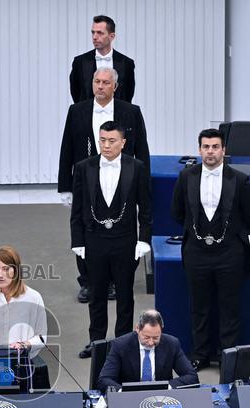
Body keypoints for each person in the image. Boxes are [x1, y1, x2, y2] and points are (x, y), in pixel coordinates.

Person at [171, 128, 250, 370]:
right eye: (206, 147)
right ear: (199, 150)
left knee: (229, 306)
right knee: (199, 306)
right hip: (196, 253)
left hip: (229, 253)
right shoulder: (185, 177)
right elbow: (177, 212)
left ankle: (227, 356)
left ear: (224, 150)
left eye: (215, 147)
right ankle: (200, 353)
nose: (210, 152)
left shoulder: (240, 180)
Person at [58, 67, 150, 303]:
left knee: (120, 227)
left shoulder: (130, 111)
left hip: (123, 180)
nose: (100, 86)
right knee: (87, 226)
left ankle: (115, 281)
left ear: (115, 87)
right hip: (87, 181)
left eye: (105, 82)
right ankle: (88, 282)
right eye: (96, 81)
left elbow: (142, 149)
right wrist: (65, 186)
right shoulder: (77, 110)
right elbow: (67, 147)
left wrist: (144, 183)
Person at [71, 121, 152, 359]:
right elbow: (77, 209)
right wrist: (78, 242)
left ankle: (124, 343)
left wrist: (143, 240)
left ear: (123, 143)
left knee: (125, 295)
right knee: (96, 295)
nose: (106, 145)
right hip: (94, 240)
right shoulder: (84, 167)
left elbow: (146, 208)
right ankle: (96, 342)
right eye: (102, 140)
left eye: (112, 141)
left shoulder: (136, 167)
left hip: (125, 241)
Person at [96, 309, 198, 393]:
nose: (150, 342)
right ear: (137, 329)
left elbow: (192, 377)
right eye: (146, 337)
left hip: (161, 398)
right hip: (129, 400)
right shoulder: (120, 345)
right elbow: (104, 380)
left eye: (155, 338)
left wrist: (166, 387)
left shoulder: (172, 344)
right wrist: (124, 392)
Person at [69, 15, 135, 104]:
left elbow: (128, 94)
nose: (95, 37)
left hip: (118, 116)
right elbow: (76, 93)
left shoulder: (126, 63)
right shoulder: (80, 62)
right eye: (93, 32)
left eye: (100, 33)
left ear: (112, 36)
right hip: (87, 115)